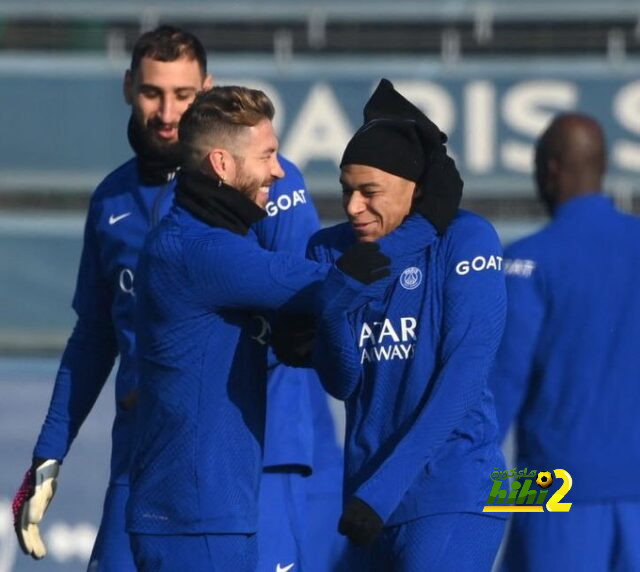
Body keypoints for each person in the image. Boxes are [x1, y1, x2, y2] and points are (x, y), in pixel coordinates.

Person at [12, 25, 342, 572]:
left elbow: (306, 305)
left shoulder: (271, 183)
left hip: (254, 461)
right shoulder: (111, 201)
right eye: (152, 93)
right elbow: (95, 336)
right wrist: (51, 446)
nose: (167, 113)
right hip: (144, 460)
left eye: (184, 96)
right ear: (127, 88)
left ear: (206, 92)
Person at [126, 84, 330, 571]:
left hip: (201, 515)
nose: (278, 171)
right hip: (198, 521)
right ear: (221, 164)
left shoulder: (194, 239)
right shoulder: (202, 251)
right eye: (268, 156)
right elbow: (331, 283)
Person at [306, 79, 507, 571]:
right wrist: (332, 305)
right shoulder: (329, 249)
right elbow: (343, 381)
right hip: (368, 498)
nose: (354, 207)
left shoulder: (468, 239)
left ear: (414, 188)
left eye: (369, 192)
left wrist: (381, 492)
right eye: (346, 191)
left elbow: (461, 382)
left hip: (455, 489)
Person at [490, 113, 640, 571]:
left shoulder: (526, 260)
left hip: (553, 494)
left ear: (550, 169)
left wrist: (483, 493)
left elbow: (495, 396)